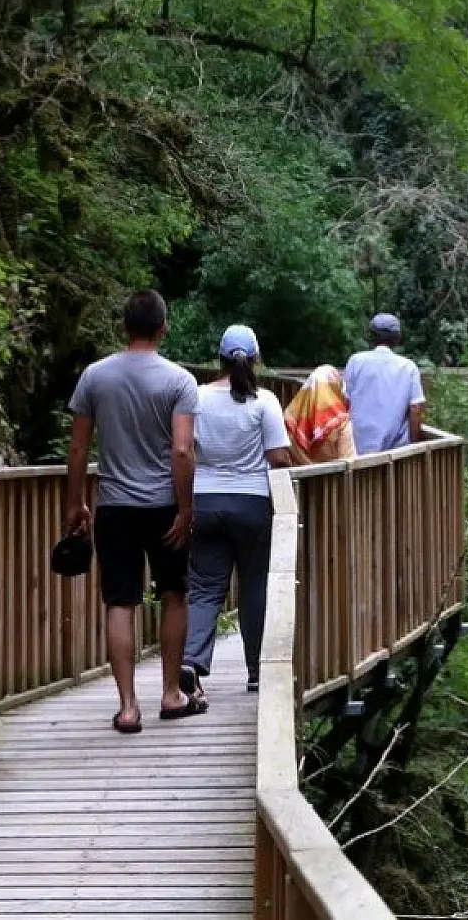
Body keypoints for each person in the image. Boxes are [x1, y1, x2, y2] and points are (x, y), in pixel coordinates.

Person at [64, 290, 201, 734]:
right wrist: (185, 507)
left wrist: (76, 502)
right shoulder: (179, 381)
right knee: (174, 593)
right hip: (164, 505)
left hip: (115, 507)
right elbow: (182, 450)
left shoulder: (94, 377)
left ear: (124, 327)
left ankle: (127, 707)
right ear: (164, 328)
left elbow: (79, 445)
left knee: (119, 602)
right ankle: (170, 694)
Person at [182, 325, 292, 701]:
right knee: (254, 586)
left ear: (220, 358)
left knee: (204, 588)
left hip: (205, 502)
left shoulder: (196, 397)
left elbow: (184, 449)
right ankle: (257, 671)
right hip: (253, 503)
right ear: (256, 359)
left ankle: (191, 661)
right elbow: (278, 456)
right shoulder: (265, 401)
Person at [343, 313, 425, 454]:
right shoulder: (408, 367)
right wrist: (414, 446)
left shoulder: (355, 361)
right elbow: (416, 409)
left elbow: (345, 402)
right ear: (398, 338)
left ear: (371, 337)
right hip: (395, 454)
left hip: (357, 452)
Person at [283, 364, 355, 465]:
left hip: (299, 478)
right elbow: (348, 460)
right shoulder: (342, 423)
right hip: (331, 479)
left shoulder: (289, 420)